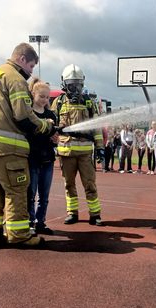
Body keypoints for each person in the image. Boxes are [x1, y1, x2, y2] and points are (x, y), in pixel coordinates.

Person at [0, 43, 53, 249]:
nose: (31, 71)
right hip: (7, 147)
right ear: (22, 59)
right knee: (16, 190)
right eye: (32, 66)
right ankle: (19, 235)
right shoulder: (15, 79)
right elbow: (23, 116)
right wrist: (46, 126)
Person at [51, 63, 105, 226]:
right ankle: (72, 213)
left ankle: (95, 215)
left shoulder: (89, 103)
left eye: (78, 84)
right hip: (66, 152)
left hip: (85, 153)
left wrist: (100, 147)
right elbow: (52, 126)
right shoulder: (58, 103)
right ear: (64, 84)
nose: (75, 88)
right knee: (69, 185)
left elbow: (96, 128)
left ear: (83, 83)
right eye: (71, 84)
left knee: (90, 184)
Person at [27, 79, 58, 235]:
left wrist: (55, 137)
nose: (45, 100)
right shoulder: (28, 114)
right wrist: (43, 124)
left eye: (47, 97)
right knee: (30, 194)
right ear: (33, 94)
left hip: (47, 159)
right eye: (42, 96)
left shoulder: (51, 114)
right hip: (32, 159)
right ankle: (30, 223)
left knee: (44, 196)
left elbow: (55, 138)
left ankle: (41, 222)